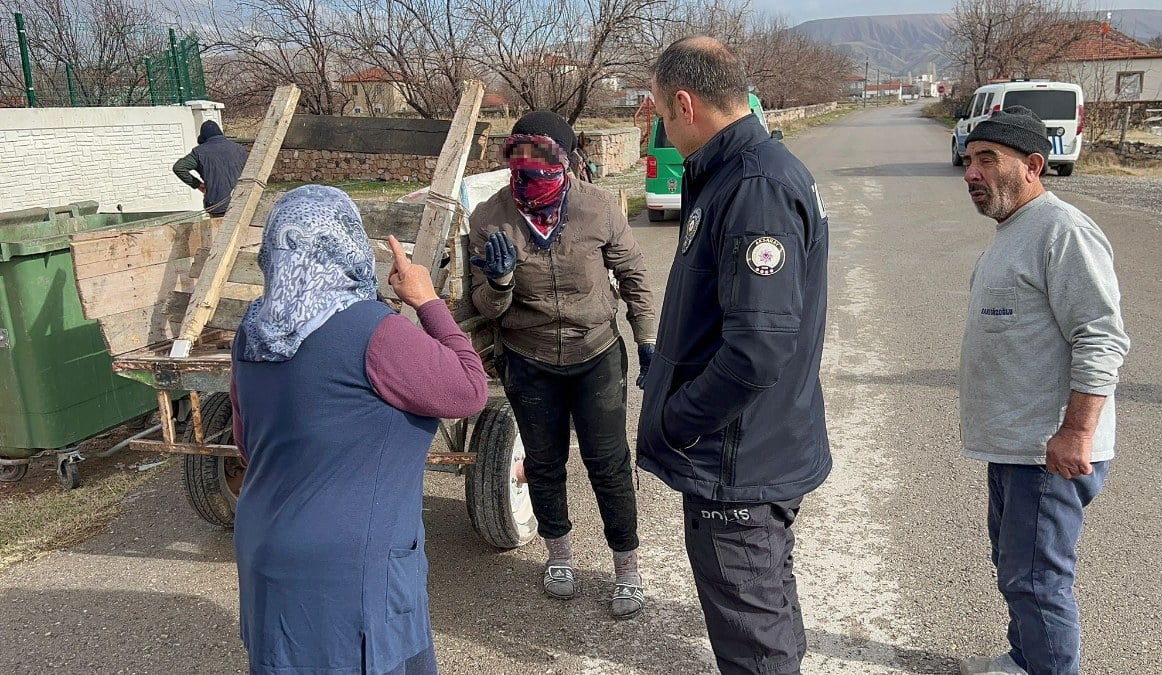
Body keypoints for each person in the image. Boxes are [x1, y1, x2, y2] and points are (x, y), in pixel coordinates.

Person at [229, 185, 488, 674]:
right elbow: (469, 389)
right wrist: (428, 301)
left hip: (266, 552)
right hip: (350, 573)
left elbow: (247, 443)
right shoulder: (375, 332)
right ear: (347, 244)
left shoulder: (254, 329)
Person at [635, 37, 832, 674]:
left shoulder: (754, 186)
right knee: (766, 608)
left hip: (736, 460)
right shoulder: (736, 172)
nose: (663, 129)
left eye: (663, 115)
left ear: (686, 104)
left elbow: (758, 349)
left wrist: (677, 419)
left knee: (754, 641)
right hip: (747, 450)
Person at [956, 106, 1130, 675]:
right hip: (1015, 446)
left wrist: (1077, 431)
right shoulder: (1014, 232)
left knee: (1037, 578)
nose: (972, 174)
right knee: (1015, 568)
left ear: (1033, 166)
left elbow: (1102, 337)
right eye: (968, 161)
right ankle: (1027, 659)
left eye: (988, 160)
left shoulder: (1064, 231)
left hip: (1049, 453)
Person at [468, 110, 657, 619]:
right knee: (545, 461)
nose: (531, 171)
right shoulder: (489, 218)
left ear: (568, 161)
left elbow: (635, 274)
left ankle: (626, 566)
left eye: (545, 159)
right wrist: (502, 282)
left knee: (608, 463)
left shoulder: (598, 209)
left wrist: (648, 340)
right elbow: (484, 307)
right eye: (521, 158)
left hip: (595, 353)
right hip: (528, 359)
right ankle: (560, 555)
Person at [172, 120, 249, 216]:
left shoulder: (199, 152)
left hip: (217, 205)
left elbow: (179, 167)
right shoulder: (239, 149)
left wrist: (198, 185)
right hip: (242, 202)